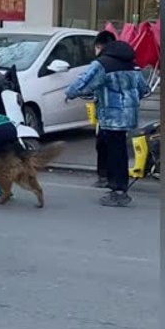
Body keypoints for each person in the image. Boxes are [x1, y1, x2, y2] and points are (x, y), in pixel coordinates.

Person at [65, 31, 151, 207]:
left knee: (114, 153)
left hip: (111, 116)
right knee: (119, 151)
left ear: (99, 47)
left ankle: (118, 191)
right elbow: (144, 89)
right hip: (129, 115)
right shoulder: (132, 64)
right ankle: (117, 187)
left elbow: (83, 83)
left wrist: (70, 93)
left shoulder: (102, 64)